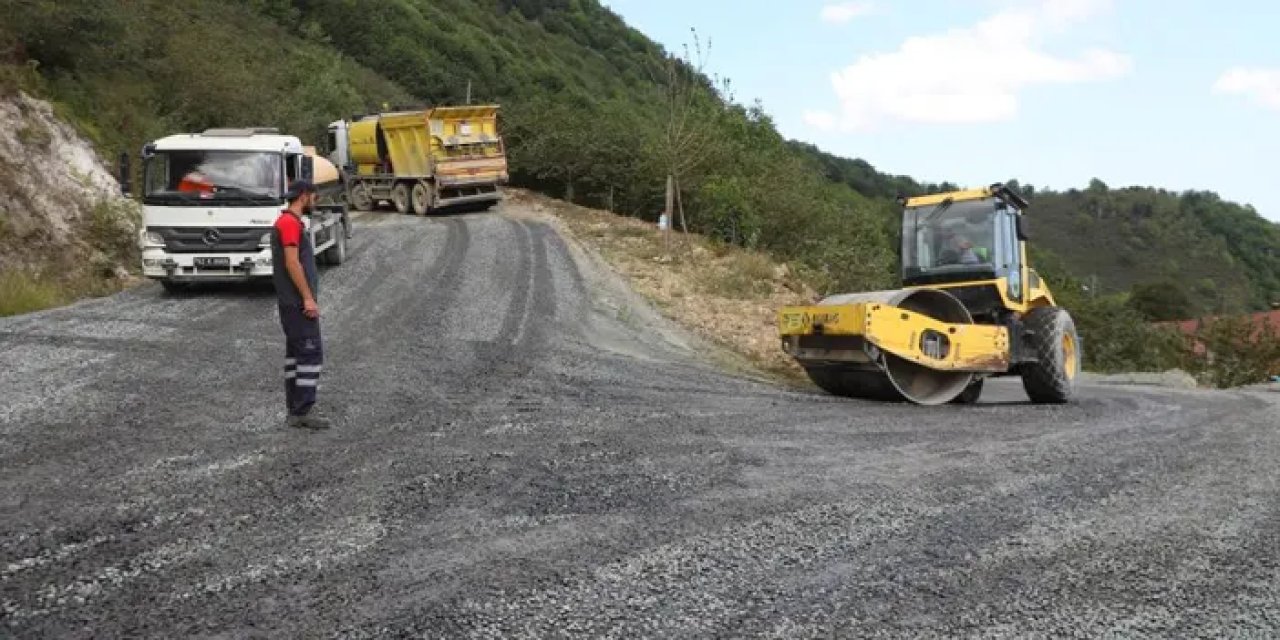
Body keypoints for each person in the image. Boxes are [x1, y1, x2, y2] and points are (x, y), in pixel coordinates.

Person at [272, 180, 331, 430]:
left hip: (291, 302)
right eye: (314, 197)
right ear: (304, 196)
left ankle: (295, 408)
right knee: (309, 353)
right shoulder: (288, 223)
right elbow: (292, 263)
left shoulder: (290, 222)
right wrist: (307, 297)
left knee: (296, 355)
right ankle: (301, 411)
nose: (315, 201)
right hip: (297, 303)